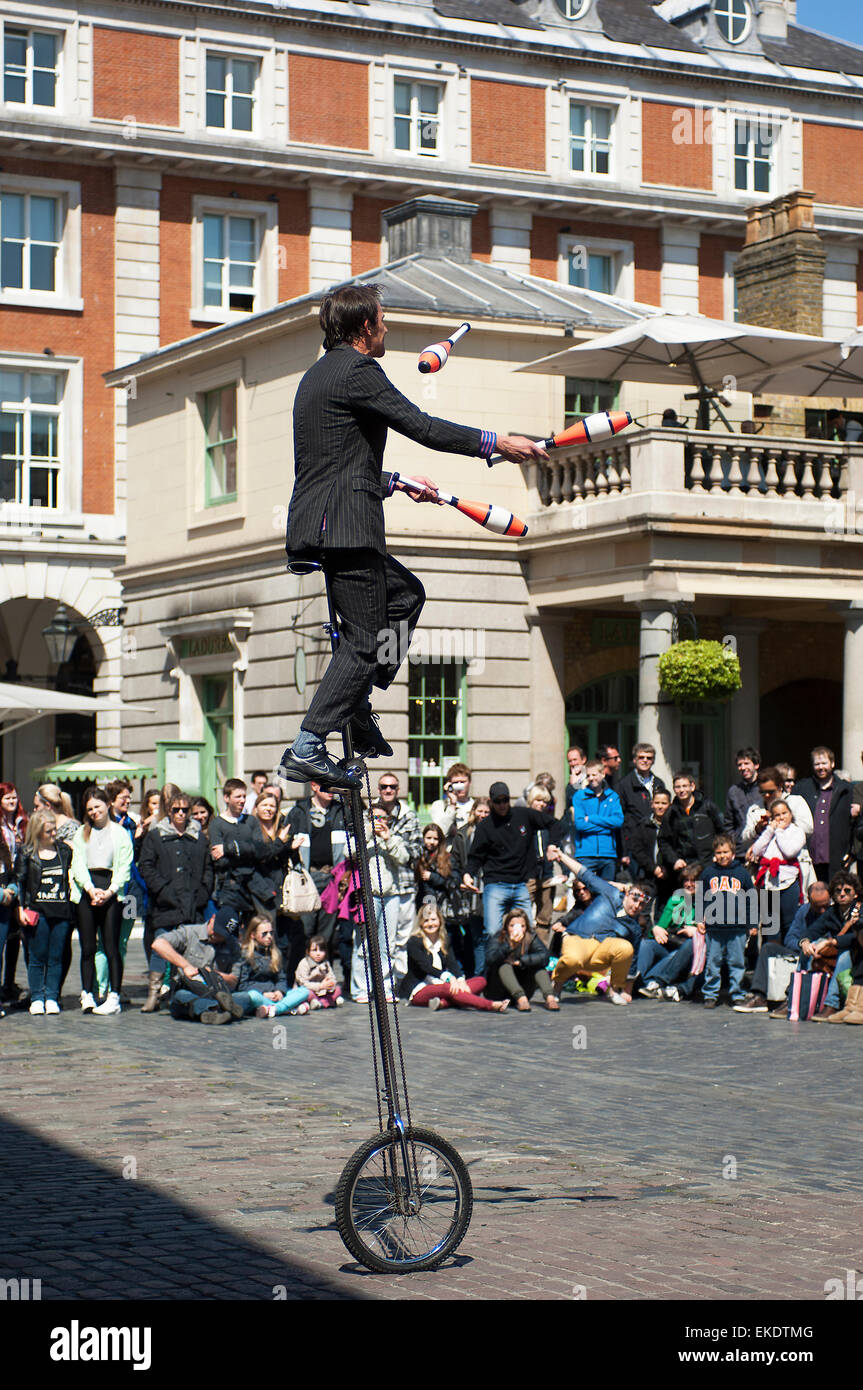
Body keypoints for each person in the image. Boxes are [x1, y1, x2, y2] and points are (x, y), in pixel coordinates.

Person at [278, 282, 548, 790]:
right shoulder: (359, 371)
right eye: (382, 320)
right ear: (364, 328)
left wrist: (396, 482)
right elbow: (420, 425)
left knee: (405, 595)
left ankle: (355, 700)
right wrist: (496, 444)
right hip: (347, 531)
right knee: (361, 641)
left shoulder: (314, 378)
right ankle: (308, 745)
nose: (387, 328)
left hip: (324, 523)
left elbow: (331, 462)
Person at [463, 781, 559, 962]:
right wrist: (468, 874)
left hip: (520, 883)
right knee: (493, 932)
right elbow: (475, 856)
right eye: (497, 801)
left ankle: (524, 969)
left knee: (527, 930)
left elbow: (554, 823)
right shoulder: (485, 826)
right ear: (491, 802)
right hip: (495, 885)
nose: (502, 805)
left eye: (505, 800)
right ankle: (491, 975)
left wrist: (553, 845)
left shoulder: (523, 815)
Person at [138, 792, 215, 1012]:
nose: (180, 814)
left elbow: (208, 869)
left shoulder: (198, 837)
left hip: (192, 902)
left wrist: (203, 892)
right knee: (161, 946)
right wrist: (162, 889)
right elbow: (146, 866)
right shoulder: (156, 835)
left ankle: (182, 993)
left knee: (190, 948)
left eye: (184, 810)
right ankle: (154, 993)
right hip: (165, 901)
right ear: (169, 811)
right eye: (176, 810)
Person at [546, 843, 649, 1004]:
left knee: (626, 948)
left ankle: (614, 990)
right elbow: (584, 873)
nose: (637, 906)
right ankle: (557, 984)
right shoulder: (610, 892)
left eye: (641, 905)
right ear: (627, 894)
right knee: (572, 960)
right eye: (635, 900)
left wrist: (627, 992)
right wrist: (561, 855)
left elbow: (632, 960)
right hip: (578, 938)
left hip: (600, 953)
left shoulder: (634, 927)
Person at [70, 788, 134, 1016]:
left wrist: (110, 891)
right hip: (87, 889)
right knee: (87, 947)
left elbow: (124, 865)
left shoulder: (119, 833)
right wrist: (89, 888)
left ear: (107, 805)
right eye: (90, 809)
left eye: (97, 806)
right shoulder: (81, 833)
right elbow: (77, 863)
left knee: (111, 946)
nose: (94, 811)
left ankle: (113, 995)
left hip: (111, 890)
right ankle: (87, 993)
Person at [734, 880, 833, 1016]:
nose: (823, 911)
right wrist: (802, 944)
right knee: (768, 948)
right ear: (809, 902)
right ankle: (760, 996)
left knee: (808, 954)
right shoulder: (804, 911)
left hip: (824, 955)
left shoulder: (833, 912)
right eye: (818, 907)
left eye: (825, 905)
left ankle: (792, 998)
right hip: (802, 949)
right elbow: (790, 938)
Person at [16, 810, 76, 1016]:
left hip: (61, 911)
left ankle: (51, 996)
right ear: (37, 832)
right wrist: (21, 909)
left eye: (54, 830)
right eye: (49, 831)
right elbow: (20, 883)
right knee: (36, 956)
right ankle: (36, 997)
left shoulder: (64, 851)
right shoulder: (27, 854)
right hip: (37, 911)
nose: (54, 834)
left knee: (56, 956)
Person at [399, 901, 508, 1012]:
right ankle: (490, 1005)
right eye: (426, 921)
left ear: (440, 921)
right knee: (450, 989)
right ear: (421, 923)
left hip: (441, 985)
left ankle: (443, 1003)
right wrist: (450, 978)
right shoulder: (414, 941)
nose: (430, 924)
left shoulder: (444, 940)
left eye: (433, 919)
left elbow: (452, 963)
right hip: (420, 988)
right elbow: (425, 966)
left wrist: (460, 979)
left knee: (480, 981)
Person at [283, 779, 348, 961]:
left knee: (325, 935)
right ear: (313, 786)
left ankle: (322, 977)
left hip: (332, 879)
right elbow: (284, 842)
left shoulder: (341, 811)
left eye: (332, 786)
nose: (331, 790)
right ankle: (300, 977)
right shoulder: (298, 812)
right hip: (307, 878)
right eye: (325, 786)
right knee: (304, 931)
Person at [350, 802, 408, 1003]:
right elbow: (351, 854)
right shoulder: (362, 839)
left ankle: (385, 987)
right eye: (374, 818)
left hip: (391, 896)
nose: (379, 822)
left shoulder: (394, 838)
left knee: (388, 944)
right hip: (369, 894)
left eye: (382, 818)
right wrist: (367, 834)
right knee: (364, 943)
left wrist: (388, 838)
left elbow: (404, 857)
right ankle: (361, 988)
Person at [370, 773, 423, 981]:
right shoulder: (370, 812)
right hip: (377, 884)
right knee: (374, 939)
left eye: (392, 786)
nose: (388, 790)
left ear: (398, 790)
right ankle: (375, 982)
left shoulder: (408, 816)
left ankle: (397, 981)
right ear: (379, 789)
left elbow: (415, 851)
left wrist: (390, 840)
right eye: (384, 786)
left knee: (401, 937)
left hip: (404, 884)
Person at [151, 906, 243, 1024]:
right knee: (181, 996)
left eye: (222, 934)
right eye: (216, 929)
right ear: (212, 918)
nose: (217, 934)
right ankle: (215, 1008)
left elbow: (234, 980)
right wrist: (186, 966)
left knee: (247, 997)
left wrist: (212, 974)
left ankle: (216, 1010)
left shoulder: (232, 945)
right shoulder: (189, 932)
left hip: (219, 991)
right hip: (189, 990)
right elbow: (158, 944)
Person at [698, 833, 757, 1009]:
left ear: (732, 852)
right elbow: (700, 897)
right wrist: (699, 918)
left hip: (737, 927)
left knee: (737, 962)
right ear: (714, 854)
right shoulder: (708, 873)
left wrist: (752, 923)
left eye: (726, 852)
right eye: (719, 852)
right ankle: (710, 994)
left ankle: (737, 993)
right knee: (713, 962)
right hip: (714, 928)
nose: (722, 855)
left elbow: (751, 899)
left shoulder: (742, 873)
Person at [636, 863, 705, 1002]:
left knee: (678, 952)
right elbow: (661, 927)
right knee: (647, 944)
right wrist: (655, 929)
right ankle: (636, 978)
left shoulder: (706, 903)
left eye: (693, 881)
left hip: (689, 951)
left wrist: (697, 931)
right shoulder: (675, 900)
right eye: (686, 881)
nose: (689, 884)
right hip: (671, 941)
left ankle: (652, 982)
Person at [744, 797, 806, 940]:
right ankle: (771, 956)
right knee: (770, 925)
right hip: (768, 882)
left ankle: (789, 954)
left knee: (789, 922)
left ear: (790, 814)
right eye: (777, 815)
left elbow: (789, 851)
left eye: (784, 813)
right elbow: (757, 850)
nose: (781, 817)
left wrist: (779, 831)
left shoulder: (797, 832)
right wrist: (770, 830)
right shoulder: (770, 831)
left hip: (788, 880)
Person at [209, 778, 269, 920]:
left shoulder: (251, 821)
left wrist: (230, 848)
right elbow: (219, 859)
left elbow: (260, 851)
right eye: (238, 796)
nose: (242, 800)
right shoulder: (217, 824)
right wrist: (248, 851)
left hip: (253, 885)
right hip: (229, 887)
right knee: (231, 929)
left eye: (244, 796)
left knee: (256, 927)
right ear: (226, 798)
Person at [233, 915, 311, 1018]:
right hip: (260, 995)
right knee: (252, 996)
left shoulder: (275, 953)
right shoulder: (246, 954)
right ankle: (287, 1008)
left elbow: (281, 978)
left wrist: (279, 991)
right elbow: (243, 985)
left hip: (275, 994)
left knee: (304, 991)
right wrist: (265, 993)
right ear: (253, 935)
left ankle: (275, 1009)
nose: (269, 936)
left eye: (271, 933)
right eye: (264, 934)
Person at [794, 747, 852, 883]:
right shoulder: (802, 788)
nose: (821, 767)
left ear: (832, 763)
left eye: (824, 763)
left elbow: (853, 825)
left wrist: (850, 851)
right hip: (809, 855)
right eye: (817, 764)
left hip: (837, 855)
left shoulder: (846, 790)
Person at [447, 796, 490, 974]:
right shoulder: (463, 834)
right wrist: (460, 882)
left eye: (487, 812)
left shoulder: (496, 832)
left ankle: (488, 977)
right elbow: (455, 864)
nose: (483, 815)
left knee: (491, 937)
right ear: (473, 812)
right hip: (471, 894)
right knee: (477, 938)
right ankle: (479, 977)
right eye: (480, 811)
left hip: (491, 890)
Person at [485, 907, 558, 1012]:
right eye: (512, 926)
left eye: (522, 926)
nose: (517, 929)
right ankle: (521, 999)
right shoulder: (499, 937)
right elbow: (490, 959)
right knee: (504, 965)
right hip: (499, 990)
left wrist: (521, 961)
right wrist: (509, 946)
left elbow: (544, 956)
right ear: (506, 927)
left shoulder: (530, 937)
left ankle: (550, 998)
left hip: (524, 984)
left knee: (537, 965)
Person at [658, 770, 724, 884]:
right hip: (684, 868)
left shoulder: (707, 807)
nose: (681, 790)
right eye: (677, 787)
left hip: (708, 864)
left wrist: (718, 854)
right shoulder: (671, 813)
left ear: (692, 786)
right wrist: (674, 860)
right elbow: (663, 841)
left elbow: (722, 833)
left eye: (684, 786)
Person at [568, 759, 623, 880]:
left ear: (603, 774)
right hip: (586, 854)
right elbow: (580, 825)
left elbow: (618, 821)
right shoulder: (580, 796)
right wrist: (608, 826)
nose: (591, 778)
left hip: (608, 853)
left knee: (607, 894)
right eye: (588, 775)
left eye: (594, 775)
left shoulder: (613, 797)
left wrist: (593, 818)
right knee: (585, 892)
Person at [617, 743, 667, 870]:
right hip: (635, 845)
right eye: (641, 757)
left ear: (653, 761)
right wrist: (624, 852)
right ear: (634, 760)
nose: (645, 760)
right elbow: (620, 819)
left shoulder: (659, 783)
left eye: (649, 758)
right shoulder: (624, 785)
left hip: (656, 842)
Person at [0, 782, 28, 1005]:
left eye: (14, 798)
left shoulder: (20, 824)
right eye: (8, 798)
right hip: (1, 885)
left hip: (15, 882)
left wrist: (15, 887)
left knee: (13, 939)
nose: (13, 802)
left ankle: (8, 984)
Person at [628, 789, 674, 910]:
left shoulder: (674, 825)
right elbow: (637, 850)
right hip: (647, 874)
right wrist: (653, 868)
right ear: (652, 804)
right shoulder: (643, 825)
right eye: (657, 803)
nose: (660, 807)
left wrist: (667, 868)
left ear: (670, 804)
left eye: (664, 803)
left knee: (666, 910)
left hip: (669, 876)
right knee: (644, 910)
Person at [725, 746, 762, 849]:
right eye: (739, 765)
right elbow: (729, 823)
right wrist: (734, 841)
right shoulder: (733, 791)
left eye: (746, 763)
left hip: (763, 847)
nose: (742, 767)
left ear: (756, 765)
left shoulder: (765, 787)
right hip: (741, 849)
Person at [414, 821, 455, 913]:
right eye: (428, 838)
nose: (432, 842)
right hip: (421, 900)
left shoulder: (447, 857)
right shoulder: (418, 856)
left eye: (435, 839)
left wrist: (432, 876)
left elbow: (451, 881)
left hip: (441, 901)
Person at [295, 933, 344, 1009]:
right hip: (311, 989)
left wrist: (330, 984)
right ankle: (325, 1002)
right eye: (314, 950)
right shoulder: (304, 963)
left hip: (323, 991)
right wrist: (320, 986)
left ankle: (320, 1003)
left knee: (338, 989)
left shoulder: (326, 963)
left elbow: (331, 977)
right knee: (306, 993)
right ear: (308, 951)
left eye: (321, 950)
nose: (318, 954)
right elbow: (303, 983)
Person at [429, 763, 474, 840]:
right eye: (456, 783)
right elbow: (439, 833)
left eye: (463, 782)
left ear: (469, 782)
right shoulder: (440, 806)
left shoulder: (475, 806)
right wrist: (452, 805)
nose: (460, 786)